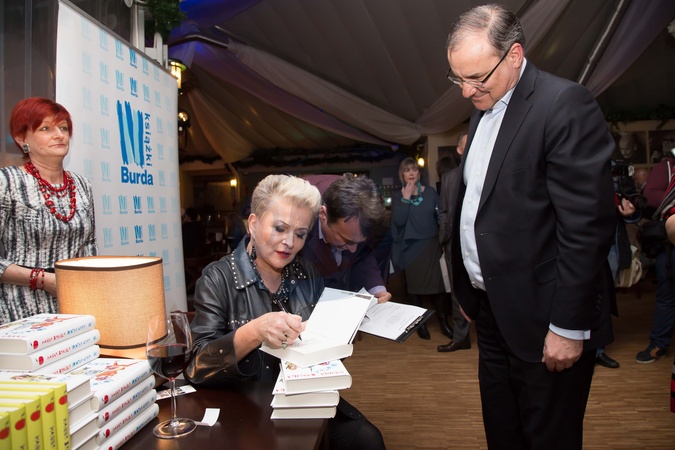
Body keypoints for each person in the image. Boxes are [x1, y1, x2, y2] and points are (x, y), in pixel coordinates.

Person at [445, 5, 616, 449]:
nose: (466, 91)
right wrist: (468, 288)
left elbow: (587, 228)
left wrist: (568, 326)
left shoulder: (564, 104)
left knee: (549, 439)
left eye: (476, 77)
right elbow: (478, 206)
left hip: (545, 319)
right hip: (492, 313)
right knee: (503, 435)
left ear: (515, 55)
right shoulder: (482, 108)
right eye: (457, 78)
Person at [185, 174, 385, 450]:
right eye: (279, 229)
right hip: (243, 404)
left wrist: (341, 327)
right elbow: (197, 367)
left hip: (303, 398)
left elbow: (322, 349)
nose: (290, 242)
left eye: (300, 234)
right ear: (253, 224)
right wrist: (255, 331)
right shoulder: (217, 279)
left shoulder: (307, 273)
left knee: (368, 440)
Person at [0, 97, 97, 324]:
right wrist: (42, 279)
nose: (59, 135)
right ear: (22, 138)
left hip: (74, 305)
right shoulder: (7, 182)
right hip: (21, 310)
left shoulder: (82, 185)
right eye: (45, 128)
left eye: (63, 128)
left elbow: (90, 247)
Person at [300, 174, 391, 303]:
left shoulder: (365, 217)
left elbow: (363, 254)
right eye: (347, 240)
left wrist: (376, 288)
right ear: (323, 215)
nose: (353, 250)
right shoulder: (300, 217)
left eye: (358, 242)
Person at [390, 157, 452, 340]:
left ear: (419, 173)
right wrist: (406, 198)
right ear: (402, 174)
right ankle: (420, 324)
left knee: (438, 287)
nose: (411, 173)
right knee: (415, 288)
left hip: (431, 245)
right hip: (411, 248)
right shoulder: (398, 196)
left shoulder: (430, 192)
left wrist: (444, 238)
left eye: (414, 170)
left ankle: (443, 322)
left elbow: (441, 215)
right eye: (407, 170)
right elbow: (398, 222)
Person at [636, 150, 675, 363]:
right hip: (669, 245)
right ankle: (658, 343)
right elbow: (650, 195)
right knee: (666, 295)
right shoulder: (667, 167)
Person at [437, 130, 472, 352]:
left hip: (481, 244)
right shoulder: (449, 177)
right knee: (458, 291)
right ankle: (461, 337)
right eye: (466, 144)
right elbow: (443, 211)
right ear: (459, 150)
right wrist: (444, 238)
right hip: (454, 243)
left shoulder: (489, 172)